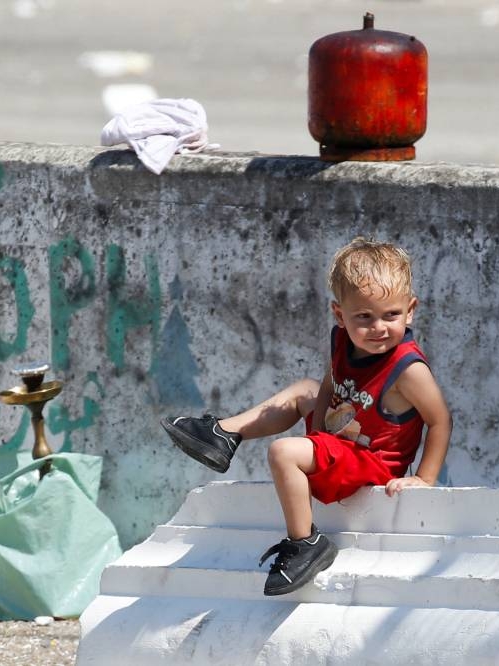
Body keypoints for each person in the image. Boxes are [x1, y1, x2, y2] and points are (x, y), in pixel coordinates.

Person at [161, 237, 452, 596]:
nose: (379, 327)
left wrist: (424, 479)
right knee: (304, 389)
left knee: (284, 452)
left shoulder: (408, 369)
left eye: (391, 315)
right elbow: (329, 386)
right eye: (364, 317)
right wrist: (318, 434)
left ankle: (305, 542)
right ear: (339, 315)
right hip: (343, 442)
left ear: (410, 310)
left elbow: (439, 420)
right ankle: (223, 434)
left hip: (372, 463)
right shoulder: (343, 343)